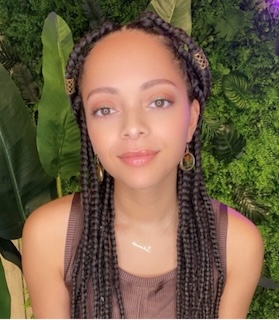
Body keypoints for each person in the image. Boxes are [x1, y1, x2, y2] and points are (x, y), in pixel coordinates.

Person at [22, 11, 263, 319]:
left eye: (158, 101)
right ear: (88, 129)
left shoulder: (237, 246)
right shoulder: (49, 237)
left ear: (191, 119)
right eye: (105, 109)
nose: (133, 127)